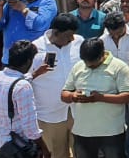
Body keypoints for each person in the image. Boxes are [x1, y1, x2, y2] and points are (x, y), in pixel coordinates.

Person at [60, 37, 129, 158]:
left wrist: (100, 97)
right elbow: (64, 95)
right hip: (82, 133)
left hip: (111, 134)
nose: (89, 66)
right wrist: (72, 96)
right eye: (86, 62)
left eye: (93, 63)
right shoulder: (78, 67)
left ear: (102, 54)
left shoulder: (119, 67)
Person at [30, 13, 83, 158]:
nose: (72, 38)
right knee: (56, 155)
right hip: (49, 115)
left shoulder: (78, 42)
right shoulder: (35, 48)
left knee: (83, 152)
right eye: (68, 35)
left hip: (77, 111)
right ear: (56, 32)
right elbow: (24, 80)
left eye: (73, 34)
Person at [0, 40, 51, 158]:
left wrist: (35, 74)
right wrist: (45, 149)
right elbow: (30, 128)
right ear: (28, 61)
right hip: (21, 148)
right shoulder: (23, 87)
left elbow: (13, 85)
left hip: (4, 144)